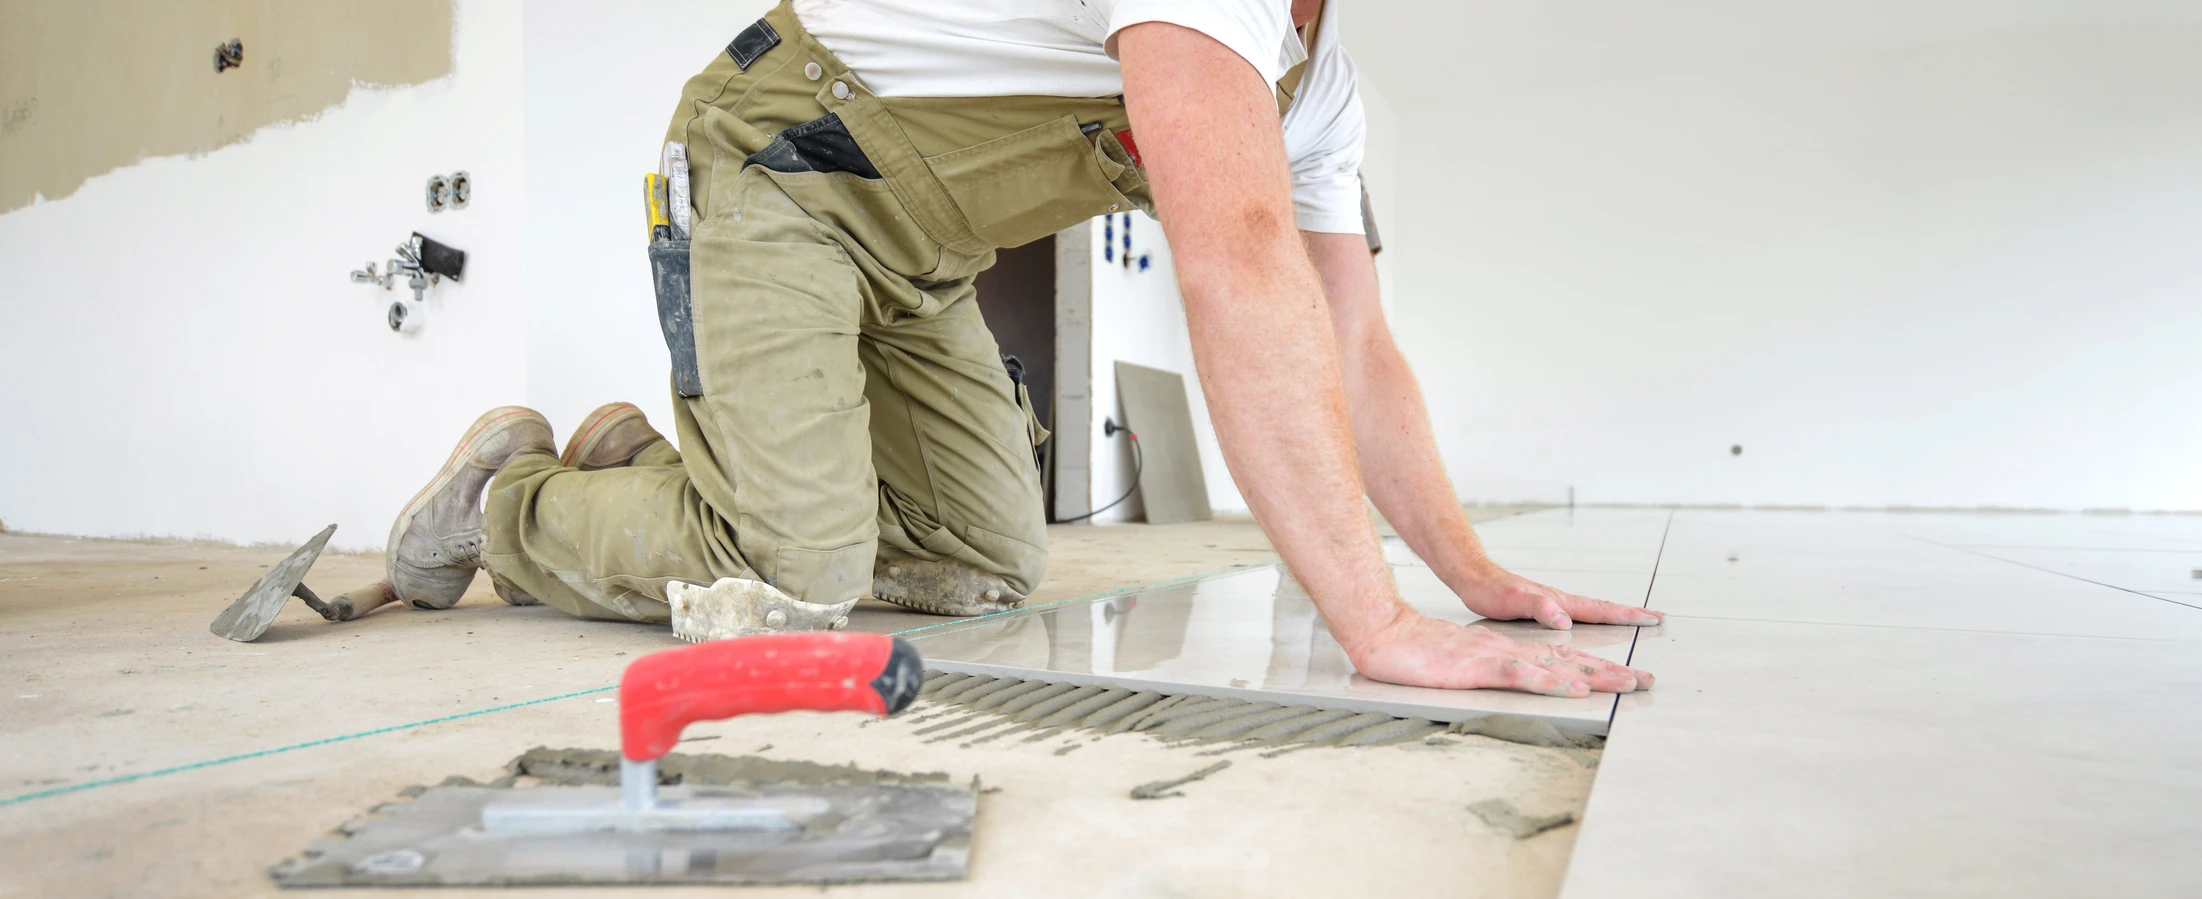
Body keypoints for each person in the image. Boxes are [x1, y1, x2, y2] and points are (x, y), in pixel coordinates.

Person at [382, 0, 1659, 698]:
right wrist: (1375, 623)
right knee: (798, 574)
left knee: (984, 565)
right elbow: (1239, 274)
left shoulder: (1315, 84)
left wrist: (1468, 573)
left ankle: (667, 474)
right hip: (776, 177)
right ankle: (515, 506)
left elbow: (1352, 336)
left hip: (920, 260)